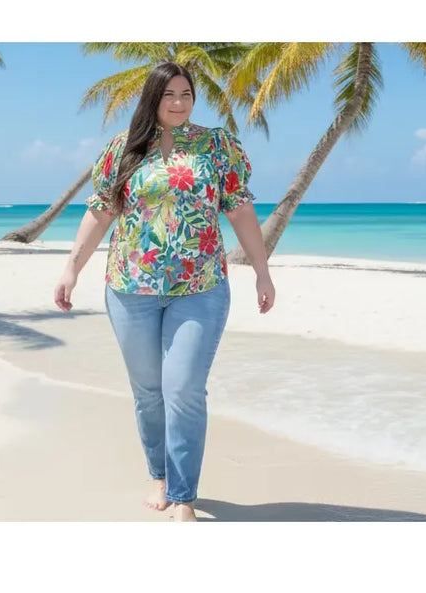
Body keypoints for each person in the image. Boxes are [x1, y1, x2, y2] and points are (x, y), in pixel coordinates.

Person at [54, 61, 276, 521]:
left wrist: (261, 270)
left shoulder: (216, 146)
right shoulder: (125, 149)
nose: (177, 102)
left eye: (186, 94)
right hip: (130, 287)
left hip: (200, 286)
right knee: (149, 392)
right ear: (152, 98)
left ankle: (183, 496)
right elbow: (100, 214)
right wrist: (71, 270)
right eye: (168, 94)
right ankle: (159, 473)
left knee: (185, 390)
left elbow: (239, 210)